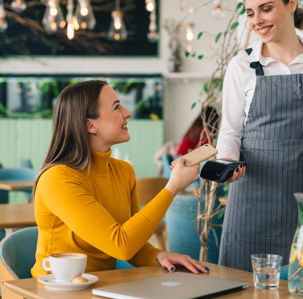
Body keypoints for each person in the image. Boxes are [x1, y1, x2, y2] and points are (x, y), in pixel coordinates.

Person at [215, 0, 303, 271]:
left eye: (265, 8)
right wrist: (226, 164)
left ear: (291, 4)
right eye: (250, 12)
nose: (257, 20)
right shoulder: (241, 65)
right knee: (243, 287)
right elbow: (230, 133)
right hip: (252, 200)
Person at [31, 80, 209, 277]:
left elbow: (133, 245)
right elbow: (121, 245)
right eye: (117, 107)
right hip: (56, 290)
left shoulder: (124, 171)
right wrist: (173, 186)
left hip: (104, 286)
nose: (127, 112)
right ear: (90, 125)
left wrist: (159, 255)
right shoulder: (57, 179)